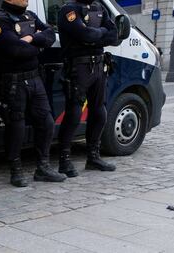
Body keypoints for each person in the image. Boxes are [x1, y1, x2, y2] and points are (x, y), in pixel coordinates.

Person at [0, 0, 67, 187]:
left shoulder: (30, 16)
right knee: (17, 127)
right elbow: (15, 49)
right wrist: (37, 42)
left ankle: (43, 167)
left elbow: (49, 35)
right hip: (13, 81)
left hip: (35, 78)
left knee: (47, 121)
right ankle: (16, 171)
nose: (27, 0)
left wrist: (31, 39)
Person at [57, 0, 118, 173]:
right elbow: (86, 35)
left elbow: (113, 35)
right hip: (78, 67)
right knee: (74, 113)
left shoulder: (99, 8)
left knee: (99, 112)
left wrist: (94, 33)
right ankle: (64, 161)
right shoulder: (69, 10)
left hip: (99, 65)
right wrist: (99, 34)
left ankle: (93, 157)